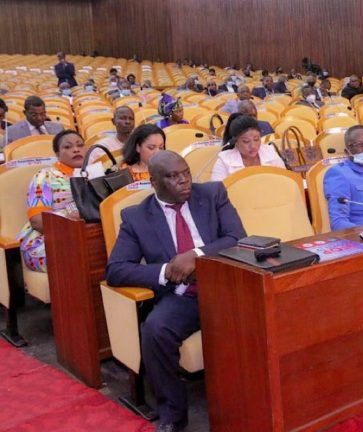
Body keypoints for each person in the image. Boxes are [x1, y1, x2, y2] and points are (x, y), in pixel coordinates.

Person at [106, 151, 246, 432]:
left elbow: (238, 238)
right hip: (183, 294)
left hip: (226, 285)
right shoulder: (136, 216)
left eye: (185, 173)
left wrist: (196, 255)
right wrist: (165, 271)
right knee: (155, 329)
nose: (183, 181)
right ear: (154, 181)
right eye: (172, 176)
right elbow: (116, 270)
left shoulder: (212, 193)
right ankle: (172, 414)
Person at [17, 130, 83, 272]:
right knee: (80, 254)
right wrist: (69, 221)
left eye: (80, 145)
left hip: (85, 235)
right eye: (68, 147)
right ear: (57, 154)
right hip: (46, 240)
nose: (76, 149)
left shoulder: (93, 174)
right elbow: (37, 221)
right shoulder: (45, 175)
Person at [211, 116, 285, 181]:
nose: (253, 146)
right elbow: (217, 194)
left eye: (256, 139)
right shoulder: (224, 161)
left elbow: (285, 180)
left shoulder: (269, 151)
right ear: (235, 141)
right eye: (246, 141)